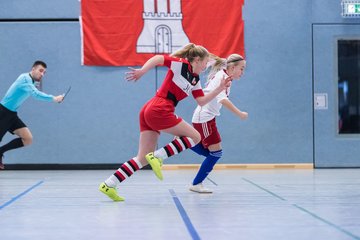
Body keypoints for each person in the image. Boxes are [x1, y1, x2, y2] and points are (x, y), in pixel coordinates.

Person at [99, 43, 232, 201]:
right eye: (204, 63)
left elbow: (202, 101)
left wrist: (219, 89)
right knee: (195, 137)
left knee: (142, 158)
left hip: (152, 109)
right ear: (196, 60)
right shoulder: (180, 65)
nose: (205, 67)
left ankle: (109, 184)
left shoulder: (195, 80)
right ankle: (158, 157)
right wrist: (142, 71)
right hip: (159, 108)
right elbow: (157, 58)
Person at [189, 54, 248, 193]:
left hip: (209, 118)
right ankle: (196, 183)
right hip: (204, 118)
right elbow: (222, 100)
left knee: (214, 154)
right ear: (232, 68)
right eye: (241, 68)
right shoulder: (222, 77)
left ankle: (186, 142)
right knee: (215, 154)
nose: (243, 72)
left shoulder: (226, 75)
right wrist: (239, 113)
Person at [0, 61, 64, 170]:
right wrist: (54, 98)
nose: (42, 74)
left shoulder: (32, 81)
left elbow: (35, 91)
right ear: (33, 69)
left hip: (12, 114)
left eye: (44, 72)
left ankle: (0, 151)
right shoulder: (25, 79)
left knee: (27, 139)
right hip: (3, 112)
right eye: (40, 70)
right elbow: (35, 94)